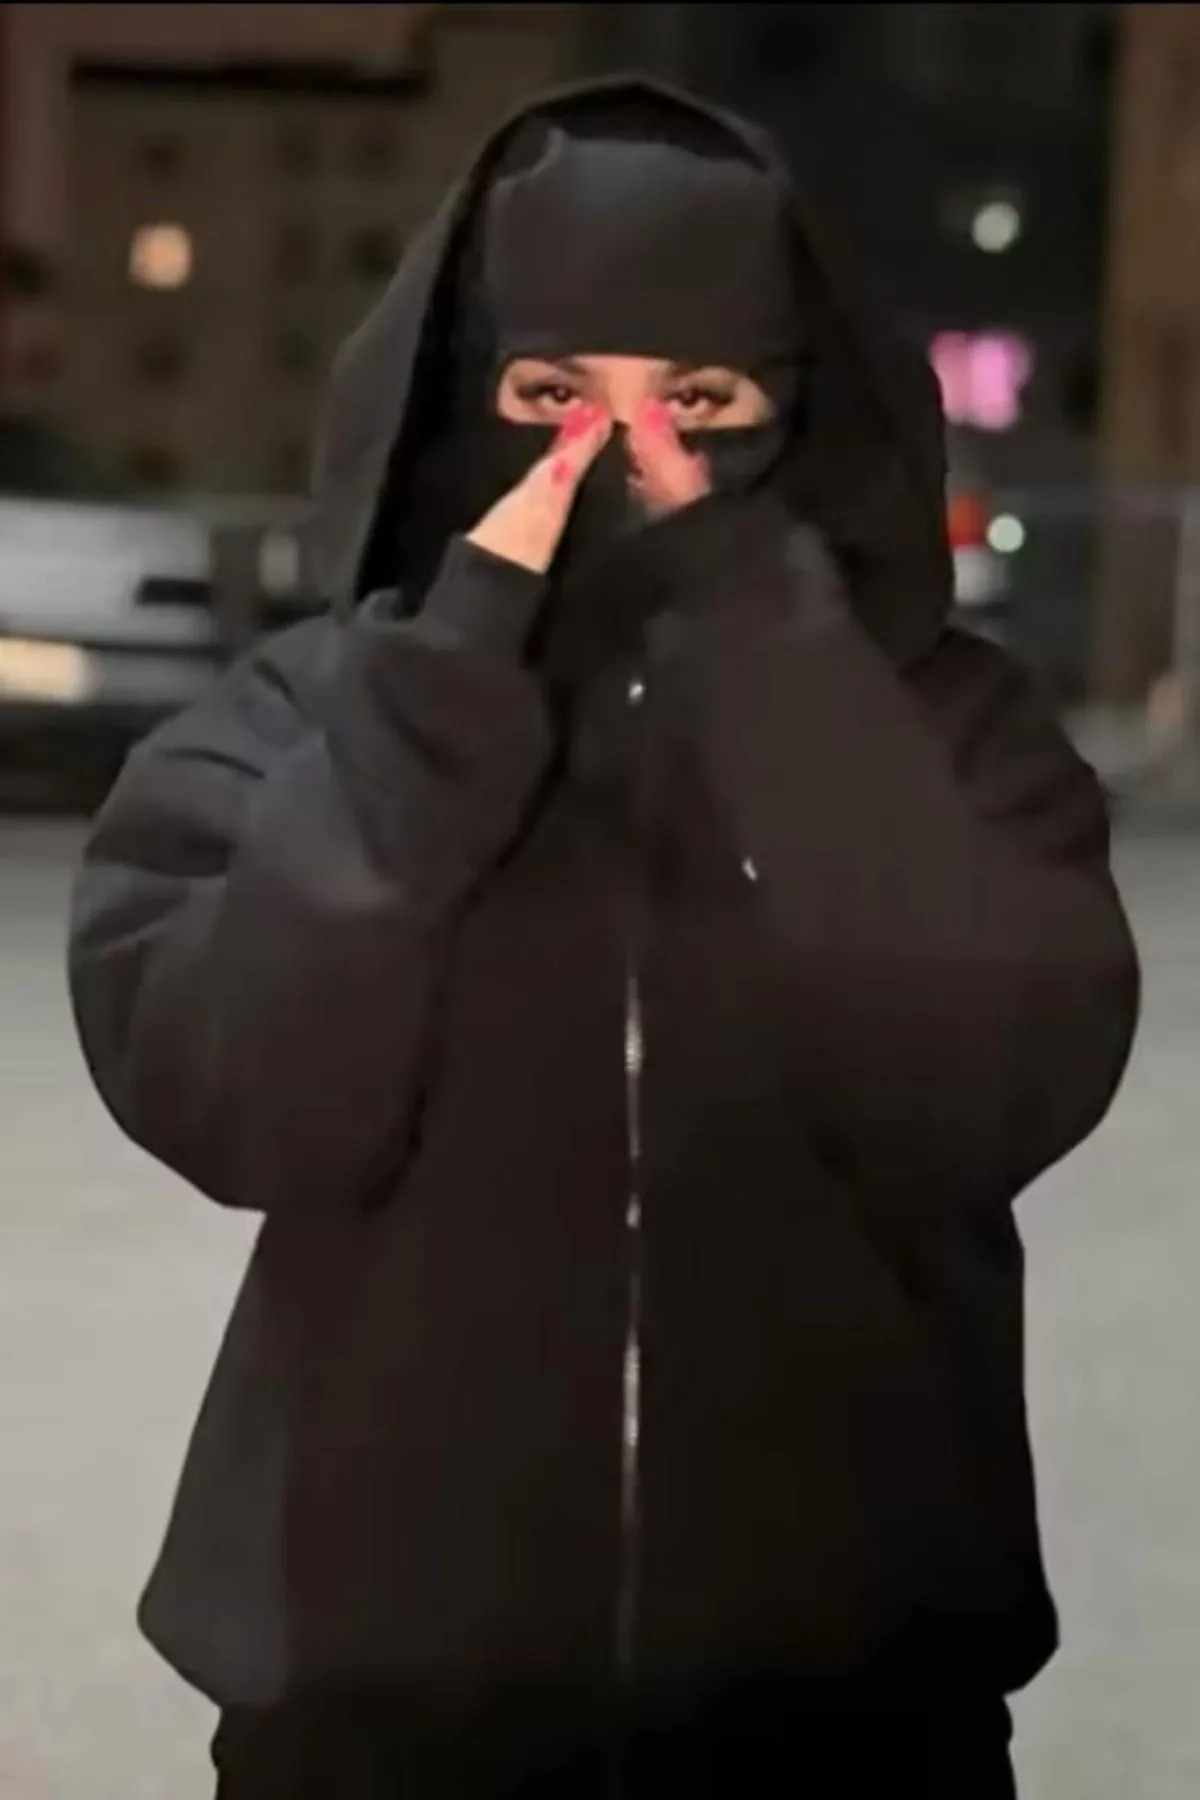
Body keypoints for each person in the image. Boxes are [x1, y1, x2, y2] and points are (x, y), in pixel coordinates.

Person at [67, 76, 1140, 1799]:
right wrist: (434, 711)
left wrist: (778, 670)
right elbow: (238, 1095)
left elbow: (990, 1090)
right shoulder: (299, 722)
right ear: (463, 395)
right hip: (373, 1708)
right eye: (554, 396)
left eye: (699, 401)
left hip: (852, 1712)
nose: (627, 461)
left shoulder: (951, 736)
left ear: (798, 409)